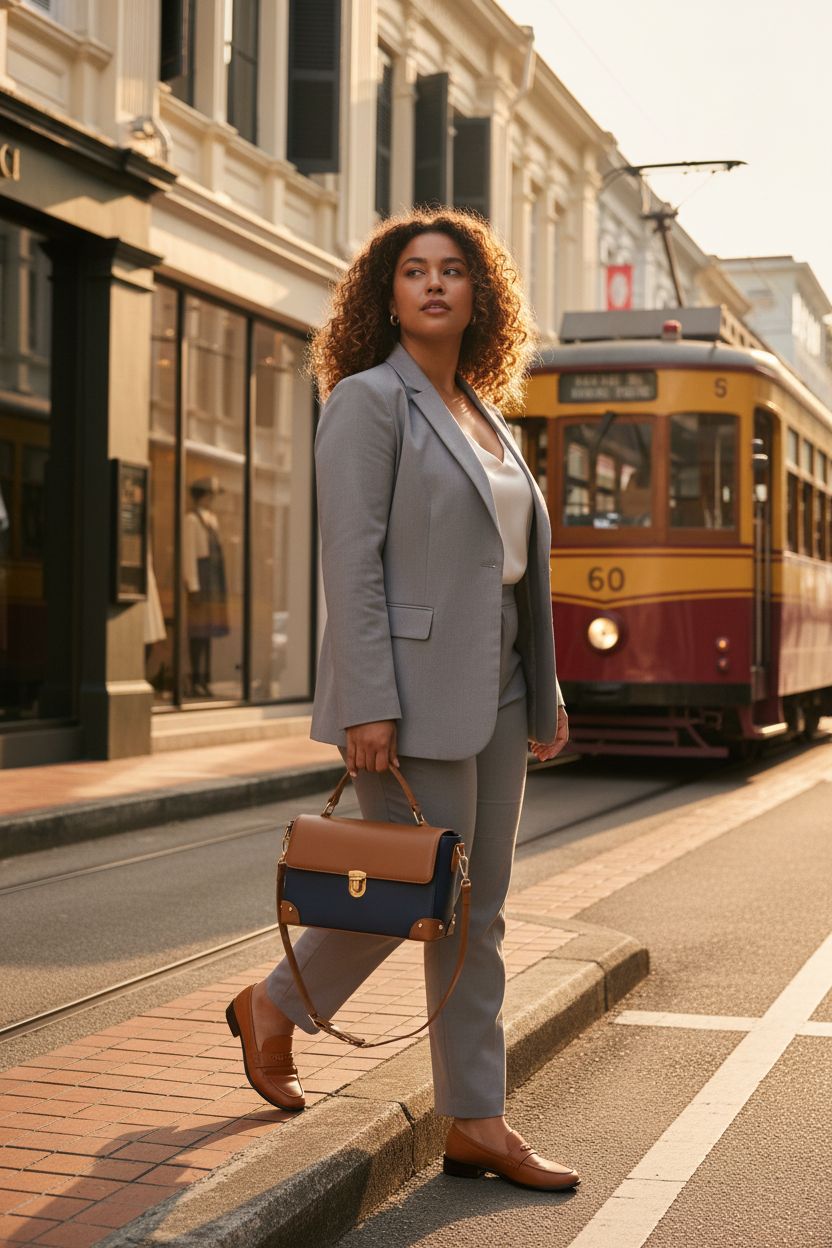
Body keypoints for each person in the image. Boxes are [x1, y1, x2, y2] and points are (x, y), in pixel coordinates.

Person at [226, 209, 579, 1192]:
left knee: (477, 910)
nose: (433, 283)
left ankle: (474, 1120)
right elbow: (352, 563)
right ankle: (276, 1006)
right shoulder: (367, 401)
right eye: (414, 270)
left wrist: (545, 688)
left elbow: (513, 567)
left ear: (479, 296)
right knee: (416, 892)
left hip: (502, 685)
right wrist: (366, 703)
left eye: (452, 270)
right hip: (411, 693)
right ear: (386, 295)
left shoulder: (486, 413)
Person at [182, 477, 229, 696]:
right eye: (209, 495)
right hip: (201, 582)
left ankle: (205, 679)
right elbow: (188, 554)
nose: (212, 499)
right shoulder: (191, 520)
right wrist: (193, 585)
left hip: (213, 581)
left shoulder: (212, 520)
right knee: (198, 633)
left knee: (209, 632)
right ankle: (195, 680)